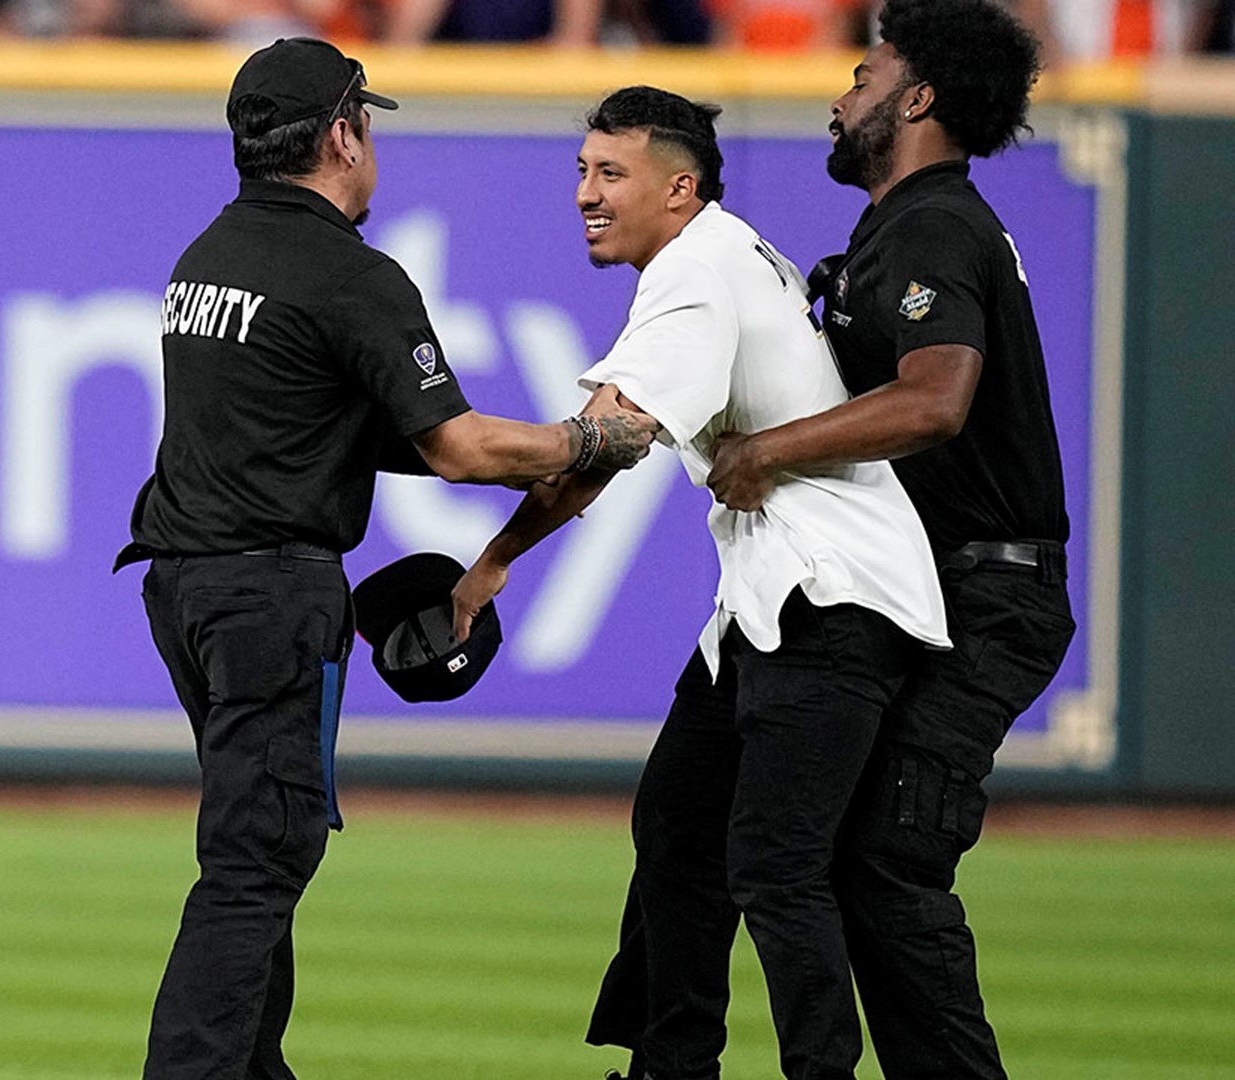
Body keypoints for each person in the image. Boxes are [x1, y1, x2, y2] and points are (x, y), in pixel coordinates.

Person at [115, 37, 655, 1080]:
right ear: (339, 135)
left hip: (183, 588)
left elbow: (316, 430)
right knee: (256, 863)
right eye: (366, 124)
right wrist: (586, 443)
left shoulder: (207, 256)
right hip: (272, 593)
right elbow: (455, 447)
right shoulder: (350, 274)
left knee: (255, 853)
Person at [449, 86, 951, 1080]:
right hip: (776, 603)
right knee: (679, 821)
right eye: (583, 172)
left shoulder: (693, 272)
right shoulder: (715, 250)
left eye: (612, 174)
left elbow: (605, 439)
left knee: (777, 865)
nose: (587, 194)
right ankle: (671, 1065)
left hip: (832, 597)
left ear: (678, 188)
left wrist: (493, 556)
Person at [706, 1, 1076, 1076]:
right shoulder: (900, 227)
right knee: (848, 859)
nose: (840, 96)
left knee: (890, 860)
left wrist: (771, 450)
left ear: (916, 100)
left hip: (988, 596)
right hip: (943, 587)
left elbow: (935, 400)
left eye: (863, 77)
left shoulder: (933, 225)